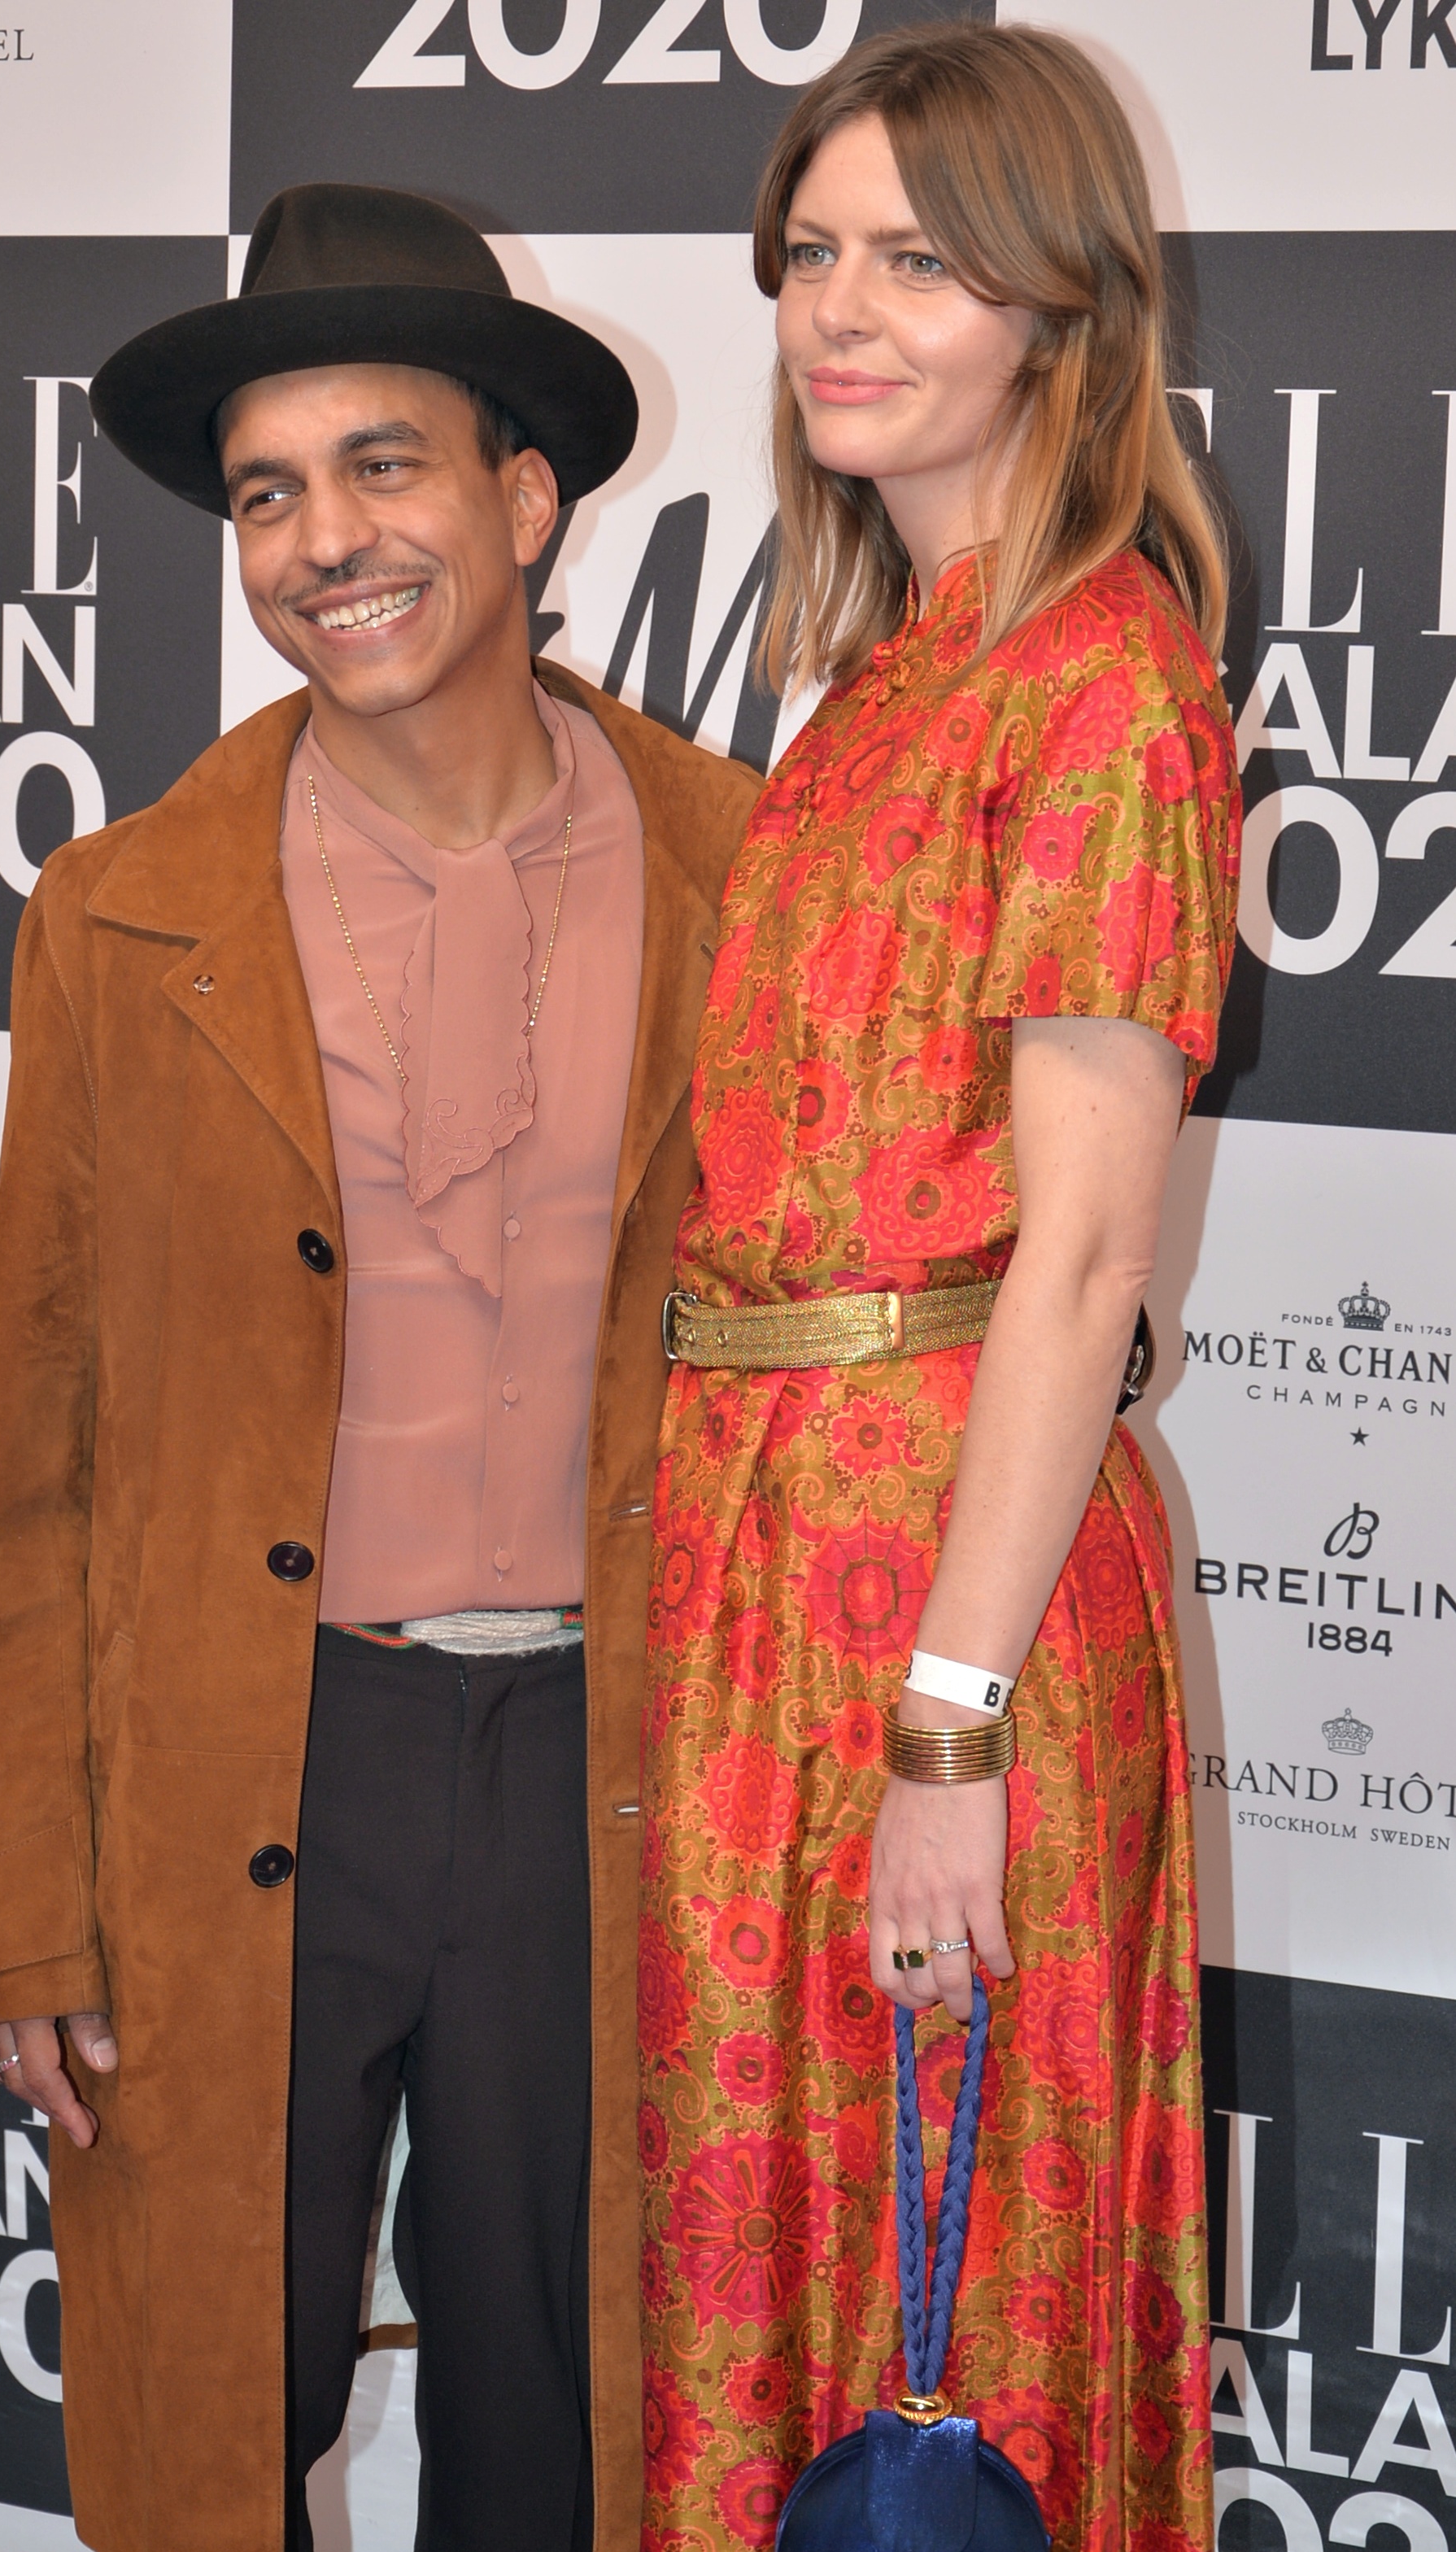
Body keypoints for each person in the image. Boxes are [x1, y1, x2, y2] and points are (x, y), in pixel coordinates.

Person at [0, 183, 758, 2552]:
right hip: (241, 1764)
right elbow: (32, 1434)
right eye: (267, 493)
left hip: (621, 1777)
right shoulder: (119, 910)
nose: (320, 543)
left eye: (383, 464)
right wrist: (16, 1891)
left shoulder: (752, 871)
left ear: (525, 495)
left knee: (571, 2442)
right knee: (209, 2431)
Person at [639, 28, 1239, 2552]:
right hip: (760, 1584)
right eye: (811, 253)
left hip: (936, 1612)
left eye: (915, 258)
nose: (837, 309)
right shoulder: (887, 672)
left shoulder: (1103, 671)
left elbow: (1079, 1256)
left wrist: (949, 1724)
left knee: (945, 2306)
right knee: (784, 2285)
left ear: (1054, 304)